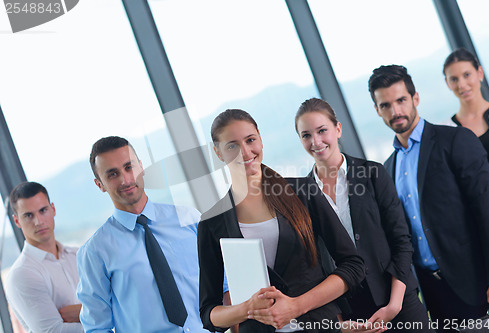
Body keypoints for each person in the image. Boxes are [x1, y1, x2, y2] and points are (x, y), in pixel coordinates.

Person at [198, 109, 365, 333]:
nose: (245, 152)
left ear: (260, 139)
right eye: (232, 146)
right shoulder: (211, 222)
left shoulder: (303, 192)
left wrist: (296, 306)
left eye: (250, 140)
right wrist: (248, 308)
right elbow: (209, 314)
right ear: (217, 152)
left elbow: (353, 266)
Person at [368, 65, 489, 331]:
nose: (396, 112)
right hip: (433, 295)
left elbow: (488, 209)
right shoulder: (388, 168)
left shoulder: (455, 140)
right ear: (377, 110)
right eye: (386, 105)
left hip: (478, 283)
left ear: (415, 98)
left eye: (401, 100)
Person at [294, 98, 433, 332]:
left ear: (338, 129)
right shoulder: (302, 195)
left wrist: (394, 305)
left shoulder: (372, 174)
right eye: (306, 135)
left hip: (399, 301)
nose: (315, 141)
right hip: (352, 313)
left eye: (322, 131)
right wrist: (338, 321)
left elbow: (401, 240)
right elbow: (314, 265)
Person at [77, 136, 208, 332]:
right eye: (113, 174)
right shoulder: (95, 252)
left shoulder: (189, 219)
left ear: (141, 167)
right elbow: (97, 327)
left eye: (129, 167)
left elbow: (223, 286)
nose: (126, 179)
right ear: (100, 185)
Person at [6, 181, 83, 333]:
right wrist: (101, 315)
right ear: (17, 221)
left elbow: (114, 301)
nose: (38, 222)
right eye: (28, 215)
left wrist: (82, 312)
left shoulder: (79, 255)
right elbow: (52, 331)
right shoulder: (22, 274)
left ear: (53, 209)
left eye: (43, 210)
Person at [441, 48, 489, 187]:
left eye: (467, 75)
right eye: (454, 79)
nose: (462, 85)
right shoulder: (445, 130)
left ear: (480, 73)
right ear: (447, 83)